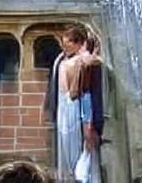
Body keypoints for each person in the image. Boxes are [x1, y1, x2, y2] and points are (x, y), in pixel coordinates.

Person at [44, 25, 103, 183]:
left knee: (79, 153)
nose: (64, 47)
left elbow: (86, 95)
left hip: (75, 109)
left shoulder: (84, 61)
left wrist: (88, 123)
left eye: (68, 43)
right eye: (63, 44)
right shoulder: (61, 60)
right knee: (66, 150)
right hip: (64, 109)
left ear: (79, 44)